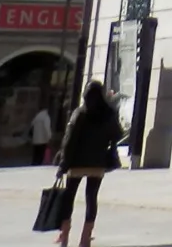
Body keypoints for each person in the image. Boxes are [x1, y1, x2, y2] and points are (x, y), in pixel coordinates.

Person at [53, 82, 124, 247]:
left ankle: (64, 236)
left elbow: (69, 142)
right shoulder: (109, 114)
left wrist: (63, 165)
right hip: (97, 164)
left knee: (68, 198)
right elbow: (118, 134)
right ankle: (85, 238)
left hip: (76, 163)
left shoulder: (80, 114)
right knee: (91, 198)